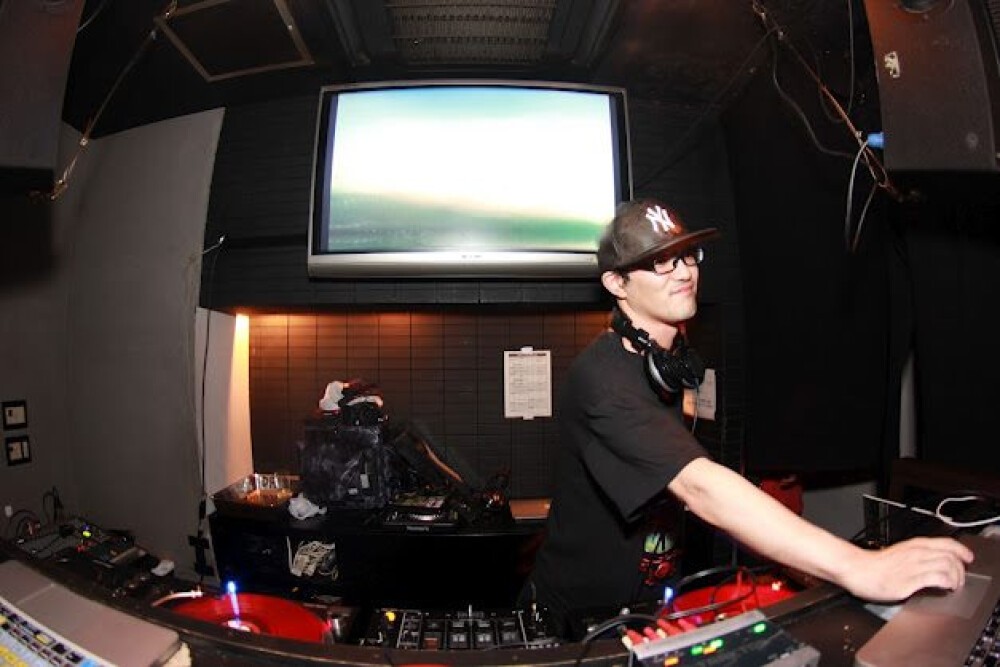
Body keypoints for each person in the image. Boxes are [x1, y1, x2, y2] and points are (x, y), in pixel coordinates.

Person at [523, 197, 972, 637]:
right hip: (576, 626)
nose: (684, 272)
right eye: (660, 262)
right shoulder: (603, 379)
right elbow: (699, 487)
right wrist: (860, 567)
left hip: (645, 610)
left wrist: (801, 563)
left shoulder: (667, 365)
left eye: (687, 255)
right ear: (617, 283)